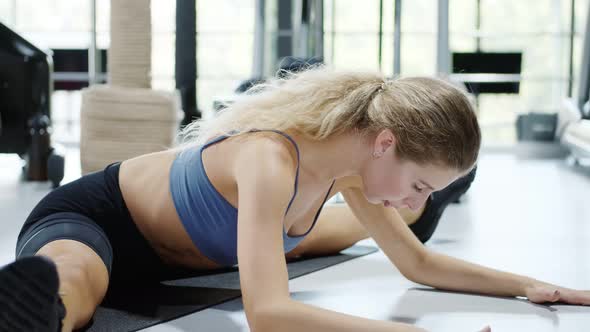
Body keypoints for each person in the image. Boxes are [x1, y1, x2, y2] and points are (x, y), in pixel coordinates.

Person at [0, 68, 588, 332]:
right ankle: (32, 316)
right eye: (419, 186)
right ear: (385, 143)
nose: (415, 201)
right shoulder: (269, 160)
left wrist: (537, 285)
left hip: (171, 261)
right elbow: (270, 315)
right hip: (97, 219)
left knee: (317, 235)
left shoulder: (351, 175)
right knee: (76, 277)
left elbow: (419, 263)